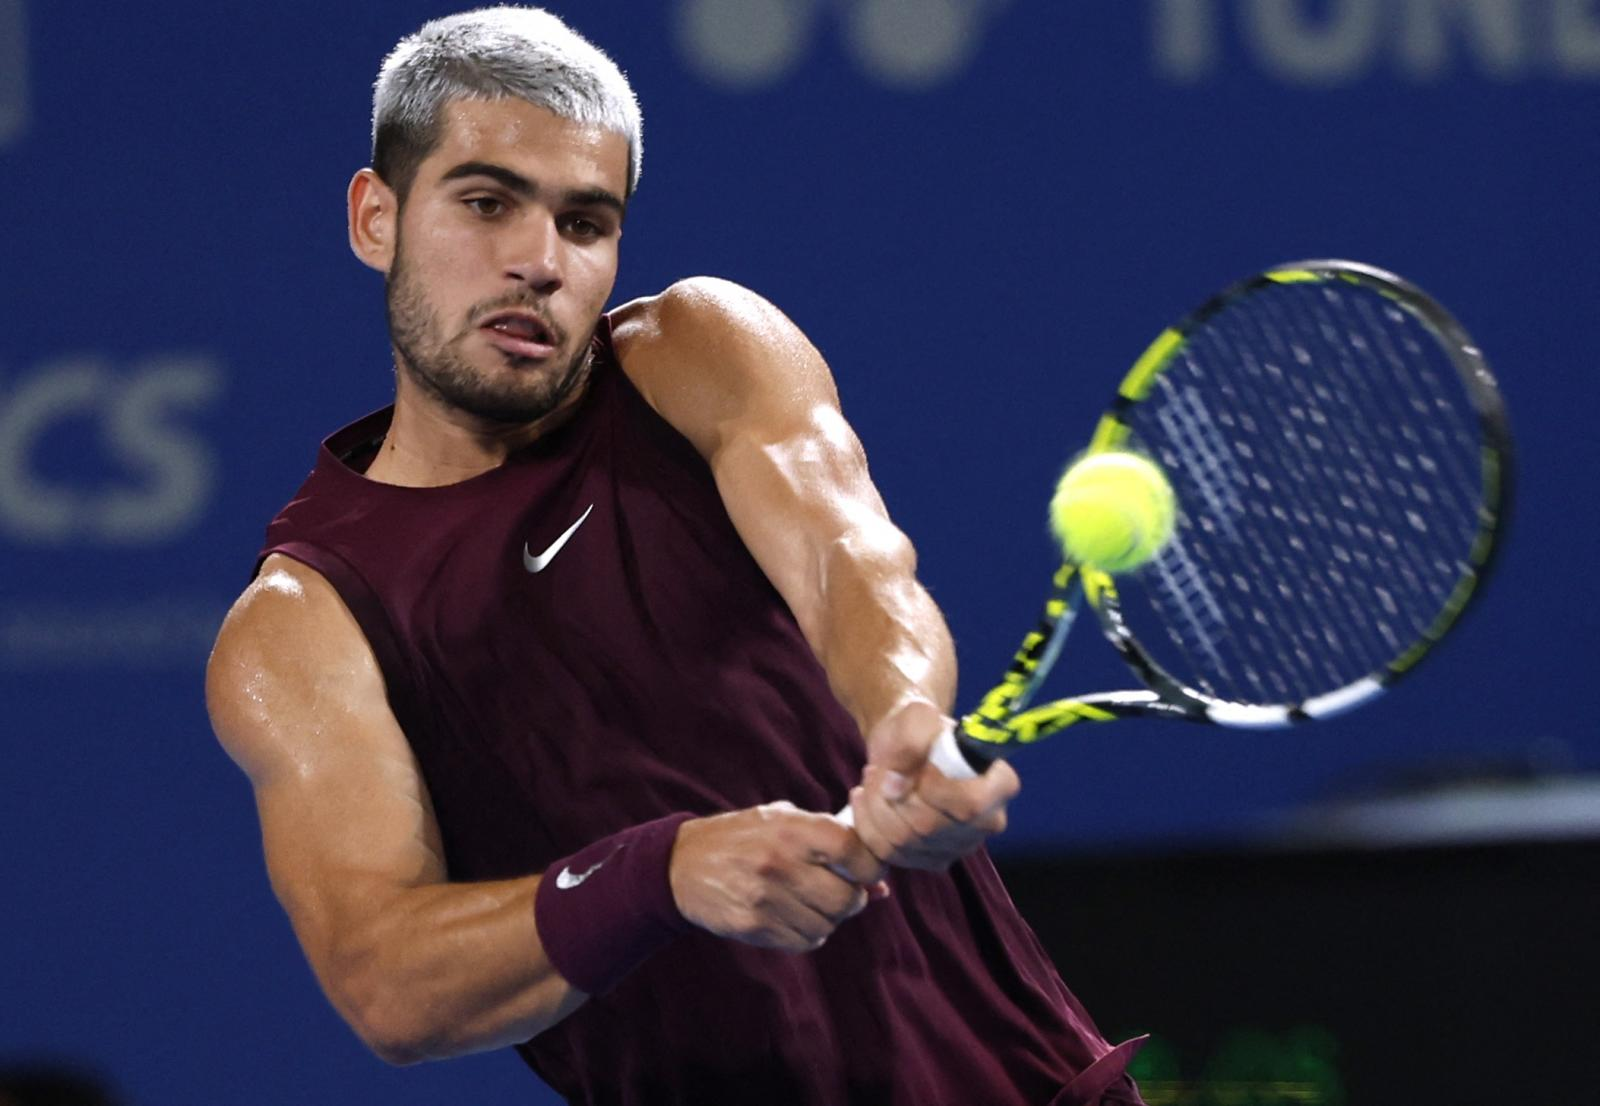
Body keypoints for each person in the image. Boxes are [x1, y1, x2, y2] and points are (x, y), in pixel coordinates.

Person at [204, 8, 1145, 1104]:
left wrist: (903, 720)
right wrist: (662, 872)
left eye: (585, 221)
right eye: (486, 202)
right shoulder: (305, 621)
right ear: (377, 217)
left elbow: (855, 567)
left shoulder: (696, 355)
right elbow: (389, 983)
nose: (538, 261)